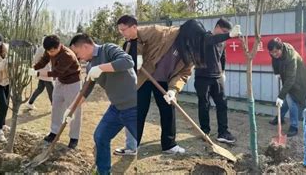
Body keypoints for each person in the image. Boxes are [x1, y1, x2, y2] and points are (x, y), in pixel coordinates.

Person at [137, 20, 241, 155]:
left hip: (164, 81)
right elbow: (136, 34)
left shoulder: (191, 51)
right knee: (139, 111)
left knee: (169, 110)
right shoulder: (161, 32)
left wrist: (173, 89)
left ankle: (169, 145)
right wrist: (138, 55)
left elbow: (184, 73)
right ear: (187, 35)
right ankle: (133, 144)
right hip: (145, 75)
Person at [69, 33, 137, 175]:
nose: (78, 58)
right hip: (116, 108)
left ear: (86, 46)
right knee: (100, 136)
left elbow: (128, 61)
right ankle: (103, 172)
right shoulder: (89, 67)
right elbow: (85, 91)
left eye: (77, 53)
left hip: (133, 107)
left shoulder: (108, 49)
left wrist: (101, 68)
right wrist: (70, 110)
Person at [33, 34, 82, 148]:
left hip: (73, 82)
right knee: (56, 106)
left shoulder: (68, 55)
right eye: (48, 51)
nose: (50, 54)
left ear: (59, 46)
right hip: (60, 82)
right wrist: (33, 68)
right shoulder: (49, 50)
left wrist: (38, 73)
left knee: (74, 110)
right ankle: (54, 132)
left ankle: (74, 137)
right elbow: (44, 60)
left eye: (52, 51)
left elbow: (56, 72)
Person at [194, 18, 237, 144]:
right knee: (204, 104)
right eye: (223, 31)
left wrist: (223, 71)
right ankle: (205, 132)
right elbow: (212, 40)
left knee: (222, 104)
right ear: (217, 27)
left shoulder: (222, 41)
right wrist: (229, 35)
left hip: (217, 77)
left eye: (226, 32)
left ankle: (223, 132)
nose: (224, 34)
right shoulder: (205, 37)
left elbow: (223, 56)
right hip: (203, 77)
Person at [268, 37, 306, 137]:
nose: (274, 54)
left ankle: (294, 126)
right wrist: (277, 73)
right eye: (272, 52)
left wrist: (280, 96)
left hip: (300, 79)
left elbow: (291, 79)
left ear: (281, 48)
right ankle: (280, 118)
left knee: (292, 100)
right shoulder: (274, 53)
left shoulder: (290, 56)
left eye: (276, 52)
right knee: (286, 101)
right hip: (289, 78)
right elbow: (274, 60)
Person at [114, 14, 139, 156]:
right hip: (128, 86)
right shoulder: (127, 44)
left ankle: (132, 146)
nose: (122, 33)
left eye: (124, 30)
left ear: (134, 27)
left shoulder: (142, 43)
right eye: (120, 30)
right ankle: (131, 146)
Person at [25, 40, 54, 110]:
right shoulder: (43, 48)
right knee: (51, 89)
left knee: (40, 88)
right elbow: (37, 60)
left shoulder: (41, 48)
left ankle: (30, 103)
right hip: (45, 72)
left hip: (43, 71)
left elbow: (35, 59)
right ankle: (54, 106)